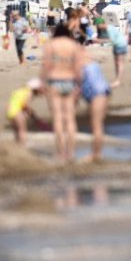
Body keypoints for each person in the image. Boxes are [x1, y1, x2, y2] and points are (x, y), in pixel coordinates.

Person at [41, 10, 85, 163]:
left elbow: (46, 66)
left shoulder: (51, 45)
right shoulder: (73, 46)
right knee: (70, 118)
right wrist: (79, 85)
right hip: (70, 81)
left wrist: (42, 82)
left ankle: (61, 152)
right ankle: (71, 153)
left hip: (54, 81)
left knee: (58, 118)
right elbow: (78, 68)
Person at [81, 57, 112, 162]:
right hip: (102, 91)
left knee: (96, 125)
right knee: (97, 125)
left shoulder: (81, 63)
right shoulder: (88, 61)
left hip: (98, 93)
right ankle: (96, 153)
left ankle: (96, 154)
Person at [7, 78, 45, 146]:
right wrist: (30, 111)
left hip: (9, 111)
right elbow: (24, 104)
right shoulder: (29, 92)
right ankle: (22, 146)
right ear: (35, 88)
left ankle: (17, 145)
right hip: (17, 112)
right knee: (22, 130)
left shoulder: (21, 90)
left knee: (16, 131)